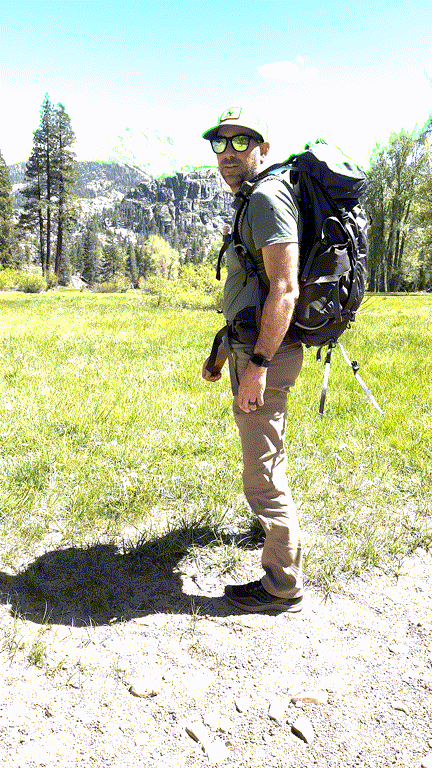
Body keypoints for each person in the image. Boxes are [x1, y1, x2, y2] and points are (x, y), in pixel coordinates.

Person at [201, 106, 304, 612]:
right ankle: (269, 538)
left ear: (263, 148)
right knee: (269, 458)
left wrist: (257, 367)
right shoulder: (253, 199)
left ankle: (281, 584)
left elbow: (285, 289)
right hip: (249, 351)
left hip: (266, 356)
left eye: (241, 143)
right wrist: (221, 352)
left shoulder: (265, 198)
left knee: (261, 474)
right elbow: (250, 286)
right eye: (220, 145)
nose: (228, 155)